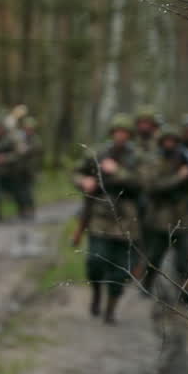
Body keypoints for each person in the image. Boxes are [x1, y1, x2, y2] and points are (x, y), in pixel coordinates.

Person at [74, 114, 143, 323]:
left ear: (130, 135)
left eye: (124, 132)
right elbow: (77, 172)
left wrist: (118, 172)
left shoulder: (138, 157)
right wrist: (83, 181)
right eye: (117, 132)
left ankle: (111, 308)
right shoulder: (98, 153)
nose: (120, 136)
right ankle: (96, 292)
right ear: (112, 133)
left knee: (120, 270)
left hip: (127, 220)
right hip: (100, 217)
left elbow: (145, 182)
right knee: (95, 261)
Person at [139, 128, 188, 303]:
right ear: (161, 143)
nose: (170, 144)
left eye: (173, 141)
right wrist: (179, 177)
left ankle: (187, 292)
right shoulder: (154, 161)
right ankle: (146, 284)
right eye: (166, 141)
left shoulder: (184, 158)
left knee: (185, 259)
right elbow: (153, 186)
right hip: (160, 218)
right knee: (155, 256)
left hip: (182, 217)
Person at [0, 111, 30, 219]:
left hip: (12, 171)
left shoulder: (13, 137)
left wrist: (6, 158)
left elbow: (20, 153)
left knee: (18, 192)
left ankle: (24, 211)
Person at [19, 115, 43, 219]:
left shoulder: (36, 139)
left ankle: (31, 211)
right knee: (21, 191)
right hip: (20, 170)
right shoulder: (21, 138)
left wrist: (25, 149)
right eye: (26, 127)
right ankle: (22, 210)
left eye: (30, 128)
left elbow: (33, 150)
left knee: (28, 191)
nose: (28, 129)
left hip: (30, 171)